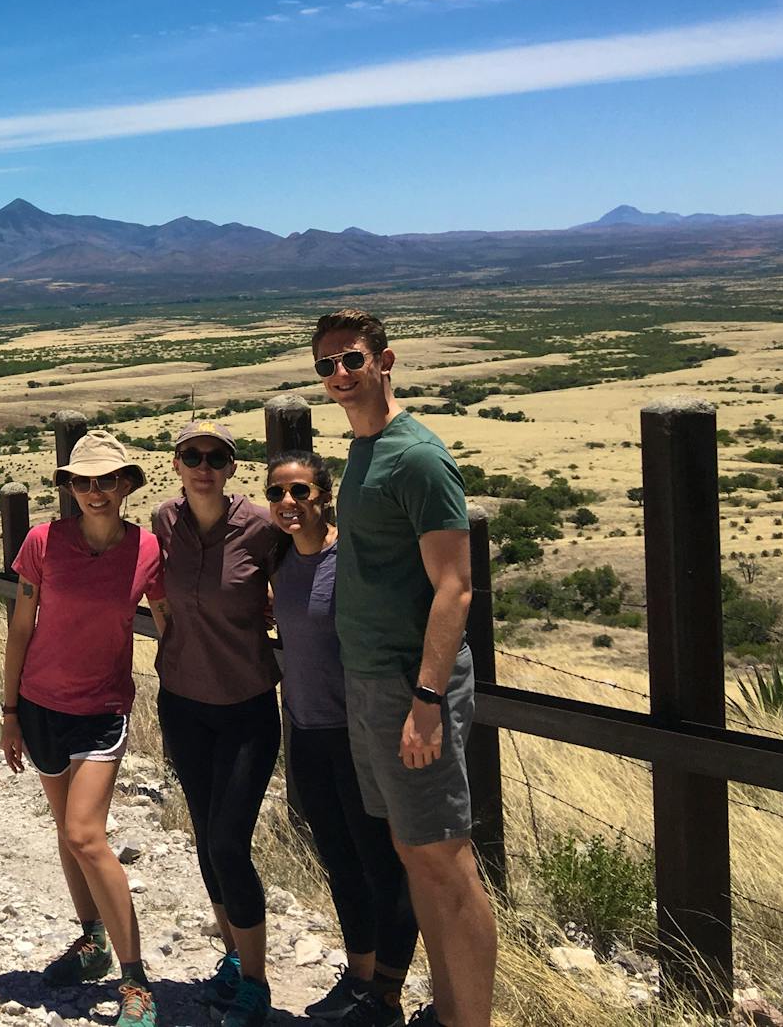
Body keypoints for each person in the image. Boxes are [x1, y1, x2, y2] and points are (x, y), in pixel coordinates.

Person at [311, 309, 496, 1027]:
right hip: (371, 684)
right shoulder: (365, 450)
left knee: (446, 861)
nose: (339, 375)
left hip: (408, 686)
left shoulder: (416, 455)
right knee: (414, 851)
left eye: (351, 359)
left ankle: (468, 1020)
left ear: (386, 361)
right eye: (326, 365)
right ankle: (447, 1010)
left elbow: (455, 586)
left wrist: (426, 698)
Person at [2, 429, 167, 1027]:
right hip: (41, 704)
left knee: (85, 833)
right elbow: (21, 627)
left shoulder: (148, 550)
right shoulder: (42, 543)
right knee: (66, 832)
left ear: (126, 484)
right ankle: (92, 942)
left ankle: (135, 981)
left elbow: (173, 622)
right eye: (83, 481)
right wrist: (9, 713)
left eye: (106, 480)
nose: (95, 491)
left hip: (102, 709)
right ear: (70, 487)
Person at [266, 450, 419, 1027]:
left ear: (324, 495)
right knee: (339, 861)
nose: (288, 503)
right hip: (304, 729)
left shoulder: (349, 559)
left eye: (300, 492)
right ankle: (360, 979)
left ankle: (386, 993)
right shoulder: (279, 559)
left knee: (381, 865)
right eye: (278, 492)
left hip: (357, 733)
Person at [150, 421, 282, 1027]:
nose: (204, 465)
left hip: (247, 705)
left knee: (230, 841)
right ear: (176, 464)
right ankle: (232, 958)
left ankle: (256, 983)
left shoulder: (262, 528)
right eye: (192, 456)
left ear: (232, 467)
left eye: (216, 457)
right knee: (206, 836)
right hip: (181, 700)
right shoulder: (162, 522)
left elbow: (303, 581)